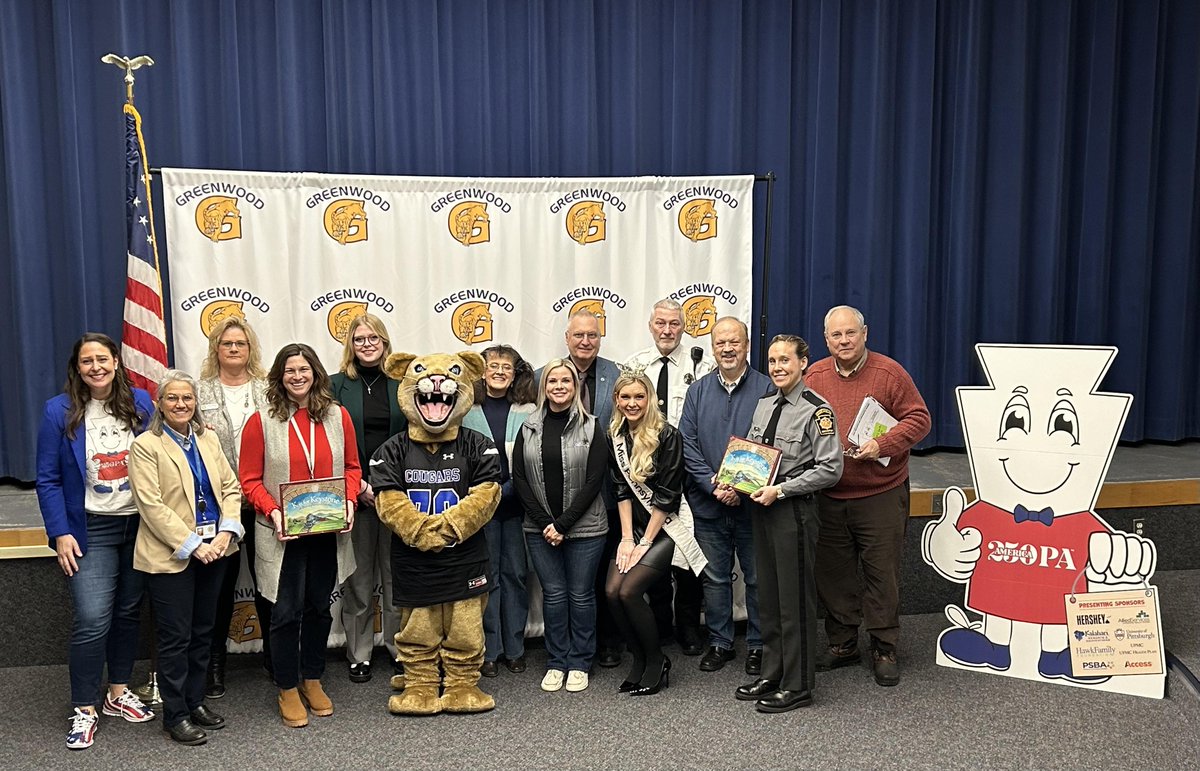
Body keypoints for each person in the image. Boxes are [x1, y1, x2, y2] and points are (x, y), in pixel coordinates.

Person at [35, 333, 156, 750]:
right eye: (87, 361)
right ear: (78, 367)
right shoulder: (59, 411)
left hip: (140, 526)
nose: (96, 367)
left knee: (127, 613)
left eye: (102, 359)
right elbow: (48, 478)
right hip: (90, 529)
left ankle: (118, 694)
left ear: (117, 361)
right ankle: (84, 708)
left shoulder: (141, 402)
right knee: (91, 619)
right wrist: (59, 531)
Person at [806, 305, 931, 687]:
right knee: (834, 575)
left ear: (865, 333)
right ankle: (843, 644)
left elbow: (919, 419)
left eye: (850, 333)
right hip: (829, 493)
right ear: (825, 340)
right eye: (835, 335)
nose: (843, 341)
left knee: (882, 573)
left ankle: (884, 646)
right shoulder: (814, 376)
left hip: (880, 492)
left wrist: (882, 443)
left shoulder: (889, 373)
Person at [239, 343, 359, 728]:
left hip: (325, 531)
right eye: (290, 370)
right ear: (280, 375)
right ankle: (287, 686)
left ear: (315, 373)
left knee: (319, 609)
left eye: (303, 369)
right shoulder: (261, 421)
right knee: (285, 612)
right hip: (281, 534)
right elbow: (249, 480)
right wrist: (272, 510)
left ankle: (312, 678)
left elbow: (353, 468)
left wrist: (351, 501)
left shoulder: (338, 417)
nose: (297, 376)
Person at [129, 370, 244, 745]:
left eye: (187, 398)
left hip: (218, 549)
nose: (181, 404)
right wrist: (195, 544)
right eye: (172, 398)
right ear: (159, 404)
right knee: (175, 638)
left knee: (203, 632)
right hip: (172, 556)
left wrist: (226, 532)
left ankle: (195, 703)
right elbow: (151, 506)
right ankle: (175, 713)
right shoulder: (146, 445)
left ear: (196, 402)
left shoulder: (208, 437)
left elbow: (230, 486)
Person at [735, 334, 842, 713]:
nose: (778, 367)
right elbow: (753, 453)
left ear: (802, 363)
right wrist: (733, 476)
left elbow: (831, 468)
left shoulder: (817, 411)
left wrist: (781, 491)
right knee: (769, 595)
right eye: (773, 360)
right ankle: (773, 672)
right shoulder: (764, 404)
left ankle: (798, 685)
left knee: (794, 600)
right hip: (761, 509)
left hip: (793, 510)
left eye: (786, 360)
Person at [678, 317, 770, 674]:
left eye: (735, 342)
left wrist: (741, 489)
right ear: (713, 348)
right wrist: (714, 484)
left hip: (753, 507)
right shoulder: (697, 391)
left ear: (747, 345)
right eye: (721, 343)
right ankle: (720, 642)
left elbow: (769, 445)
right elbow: (687, 444)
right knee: (714, 579)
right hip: (707, 505)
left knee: (757, 579)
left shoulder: (766, 389)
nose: (728, 349)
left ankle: (759, 644)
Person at [605, 371, 707, 696]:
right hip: (632, 526)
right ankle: (639, 660)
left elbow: (666, 497)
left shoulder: (667, 435)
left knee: (629, 592)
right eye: (625, 397)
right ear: (617, 401)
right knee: (610, 592)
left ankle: (657, 660)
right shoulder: (615, 435)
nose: (632, 403)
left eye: (639, 397)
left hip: (665, 527)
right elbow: (621, 490)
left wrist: (644, 542)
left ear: (650, 399)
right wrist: (626, 539)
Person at [624, 299, 715, 656]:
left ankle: (689, 626)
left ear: (683, 327)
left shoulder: (701, 365)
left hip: (689, 474)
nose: (667, 330)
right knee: (656, 556)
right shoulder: (635, 364)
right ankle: (660, 623)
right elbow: (625, 413)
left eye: (674, 324)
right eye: (660, 323)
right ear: (650, 325)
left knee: (688, 555)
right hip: (647, 477)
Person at [512, 359, 608, 693]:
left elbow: (595, 480)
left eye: (566, 380)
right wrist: (546, 524)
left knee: (580, 596)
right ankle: (557, 660)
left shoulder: (593, 426)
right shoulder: (528, 427)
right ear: (544, 387)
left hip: (586, 529)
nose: (559, 386)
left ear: (576, 386)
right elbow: (520, 479)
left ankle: (580, 661)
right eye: (552, 381)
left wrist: (563, 524)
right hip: (539, 529)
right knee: (553, 596)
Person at [197, 315, 271, 697]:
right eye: (227, 344)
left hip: (263, 501)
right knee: (219, 589)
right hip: (218, 504)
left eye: (240, 343)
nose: (234, 349)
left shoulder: (266, 388)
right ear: (216, 349)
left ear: (250, 348)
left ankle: (276, 658)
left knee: (268, 583)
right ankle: (214, 665)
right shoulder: (199, 391)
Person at [330, 314, 407, 684]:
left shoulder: (404, 383)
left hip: (399, 495)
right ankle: (359, 653)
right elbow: (330, 445)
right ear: (351, 345)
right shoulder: (334, 386)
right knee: (359, 582)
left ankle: (398, 648)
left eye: (373, 337)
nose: (367, 344)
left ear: (385, 341)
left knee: (396, 579)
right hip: (355, 495)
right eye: (359, 339)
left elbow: (417, 438)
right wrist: (359, 487)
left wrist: (390, 487)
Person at [550, 309, 623, 668]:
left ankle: (607, 642)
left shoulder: (616, 374)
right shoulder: (546, 375)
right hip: (558, 499)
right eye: (578, 335)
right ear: (567, 338)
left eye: (592, 335)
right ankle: (566, 649)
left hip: (606, 492)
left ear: (600, 338)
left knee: (603, 574)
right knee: (565, 585)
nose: (585, 341)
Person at [462, 344, 537, 678]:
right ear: (482, 370)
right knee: (487, 579)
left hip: (517, 506)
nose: (500, 372)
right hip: (480, 509)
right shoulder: (466, 408)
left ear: (516, 372)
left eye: (507, 367)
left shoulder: (529, 408)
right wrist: (485, 495)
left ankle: (515, 648)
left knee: (516, 577)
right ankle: (490, 650)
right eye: (493, 366)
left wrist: (508, 490)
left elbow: (532, 459)